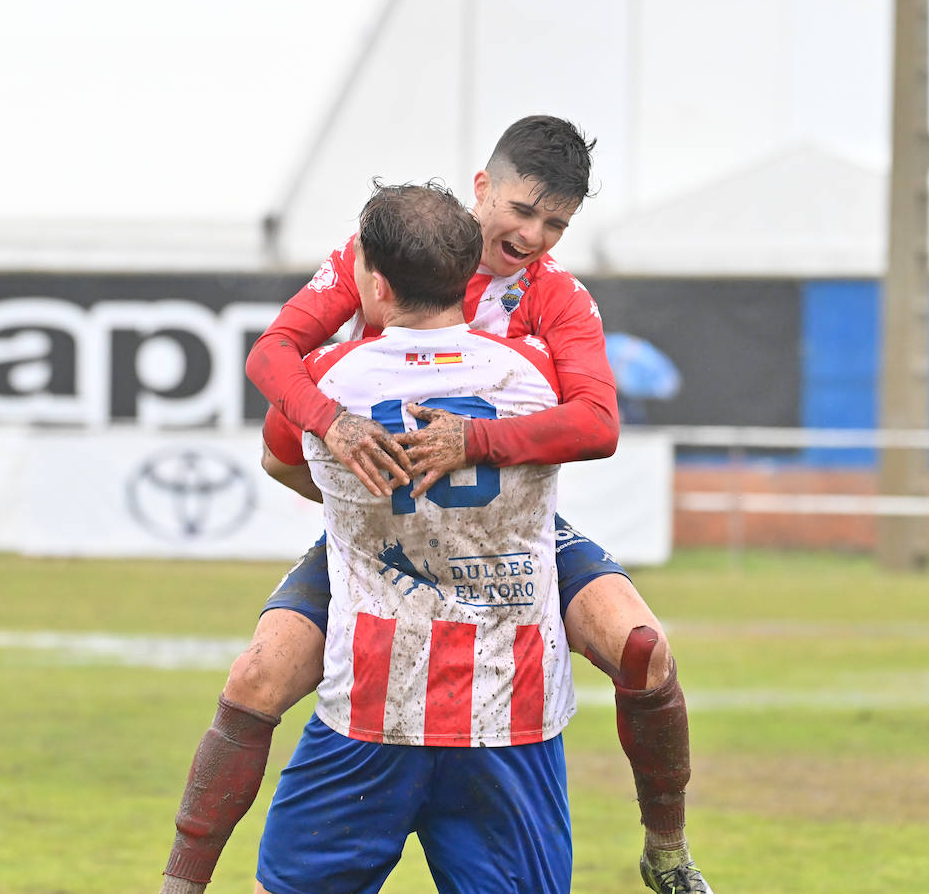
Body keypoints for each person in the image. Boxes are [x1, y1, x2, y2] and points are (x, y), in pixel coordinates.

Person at [159, 116, 712, 894]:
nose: (535, 235)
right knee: (256, 677)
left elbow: (598, 422)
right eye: (524, 211)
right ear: (482, 188)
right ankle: (180, 882)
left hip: (505, 531)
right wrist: (338, 429)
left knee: (642, 649)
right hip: (383, 523)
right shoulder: (378, 254)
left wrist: (474, 445)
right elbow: (272, 358)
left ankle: (667, 852)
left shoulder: (554, 296)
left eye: (556, 223)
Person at [256, 180, 576, 893]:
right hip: (509, 706)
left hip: (372, 701)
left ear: (376, 280)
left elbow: (278, 453)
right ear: (469, 274)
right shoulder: (537, 377)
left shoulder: (325, 381)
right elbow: (591, 422)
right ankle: (670, 846)